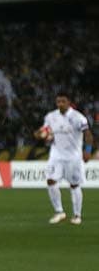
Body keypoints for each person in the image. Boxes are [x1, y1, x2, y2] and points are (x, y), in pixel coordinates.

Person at [35, 92, 93, 225]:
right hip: (56, 155)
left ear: (69, 102)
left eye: (63, 101)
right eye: (58, 102)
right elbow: (44, 131)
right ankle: (59, 212)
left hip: (73, 156)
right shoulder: (51, 116)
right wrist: (39, 134)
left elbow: (88, 135)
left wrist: (88, 150)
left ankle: (77, 215)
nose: (60, 104)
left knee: (74, 185)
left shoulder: (78, 117)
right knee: (50, 180)